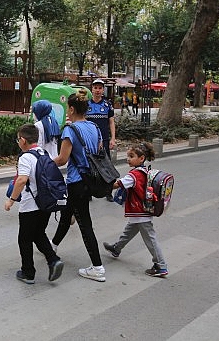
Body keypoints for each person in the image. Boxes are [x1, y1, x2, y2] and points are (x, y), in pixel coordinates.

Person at [50, 89, 107, 282]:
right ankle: (53, 245)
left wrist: (44, 162)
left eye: (68, 108)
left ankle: (98, 267)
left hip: (77, 182)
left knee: (85, 224)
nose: (67, 111)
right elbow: (98, 153)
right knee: (67, 214)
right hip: (90, 180)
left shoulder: (70, 130)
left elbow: (62, 159)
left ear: (72, 109)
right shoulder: (95, 128)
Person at [4, 124, 65, 284]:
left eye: (18, 139)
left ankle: (28, 272)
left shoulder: (25, 157)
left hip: (30, 206)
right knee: (38, 234)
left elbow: (22, 180)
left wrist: (11, 199)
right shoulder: (43, 153)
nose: (18, 142)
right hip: (45, 204)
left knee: (24, 239)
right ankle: (53, 260)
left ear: (23, 140)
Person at [102, 142, 168, 278]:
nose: (128, 159)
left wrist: (101, 186)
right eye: (127, 156)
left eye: (131, 156)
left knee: (150, 239)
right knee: (128, 232)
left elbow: (118, 184)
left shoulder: (135, 175)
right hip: (140, 211)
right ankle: (116, 248)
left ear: (141, 158)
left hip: (140, 211)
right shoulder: (144, 171)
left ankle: (161, 266)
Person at [86, 78, 116, 201]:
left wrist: (113, 138)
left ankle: (108, 191)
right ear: (91, 89)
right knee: (88, 166)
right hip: (89, 141)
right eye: (95, 88)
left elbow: (111, 122)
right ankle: (88, 191)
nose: (97, 90)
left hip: (104, 140)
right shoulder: (86, 104)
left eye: (100, 88)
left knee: (106, 165)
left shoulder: (107, 104)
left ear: (103, 90)